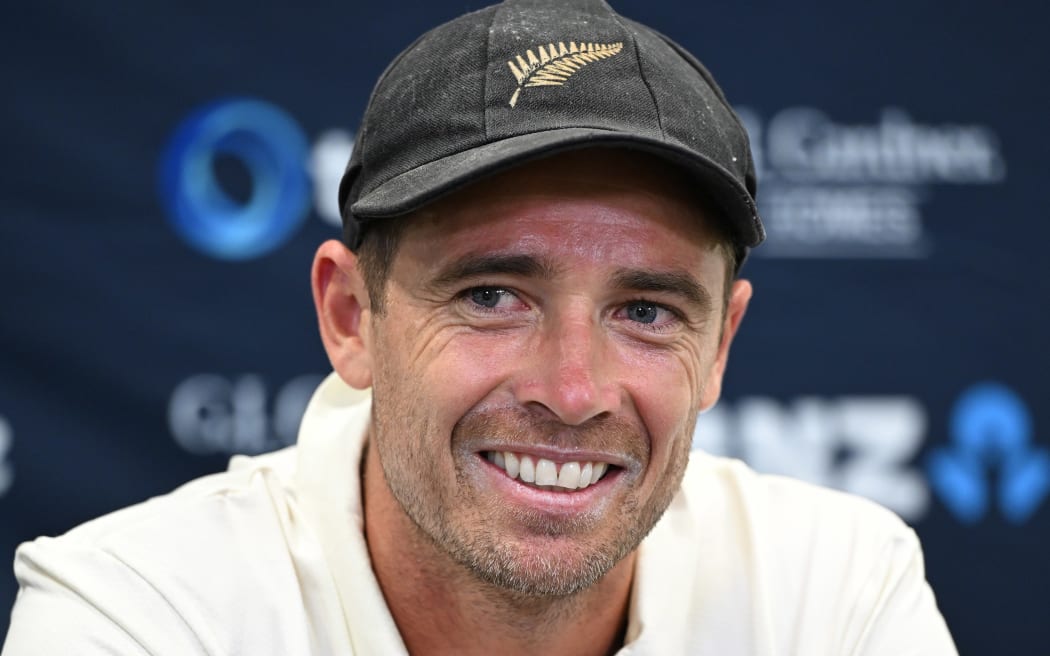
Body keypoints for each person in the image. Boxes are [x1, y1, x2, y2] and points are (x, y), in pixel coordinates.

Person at [3, 0, 958, 653]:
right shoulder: (138, 614)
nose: (573, 391)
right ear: (351, 317)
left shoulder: (834, 592)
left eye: (645, 311)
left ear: (718, 349)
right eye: (492, 295)